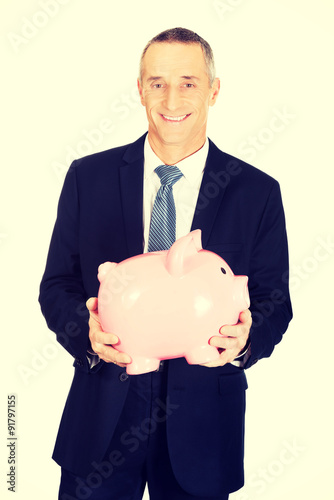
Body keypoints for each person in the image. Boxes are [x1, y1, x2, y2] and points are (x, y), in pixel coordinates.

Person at [39, 27, 292, 500]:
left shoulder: (256, 192)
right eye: (157, 82)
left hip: (203, 424)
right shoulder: (87, 177)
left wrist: (244, 341)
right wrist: (87, 333)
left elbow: (275, 301)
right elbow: (56, 286)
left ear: (215, 90)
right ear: (139, 90)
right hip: (102, 416)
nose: (171, 97)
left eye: (189, 83)